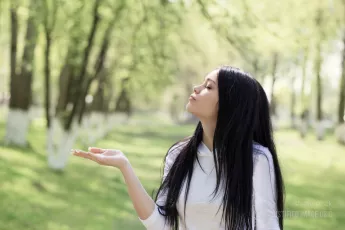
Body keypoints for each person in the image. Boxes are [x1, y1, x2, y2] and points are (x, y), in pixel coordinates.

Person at [72, 66, 285, 230]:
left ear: (230, 104)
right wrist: (124, 166)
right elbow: (162, 224)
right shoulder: (179, 155)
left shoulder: (256, 159)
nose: (196, 88)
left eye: (208, 87)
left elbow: (268, 226)